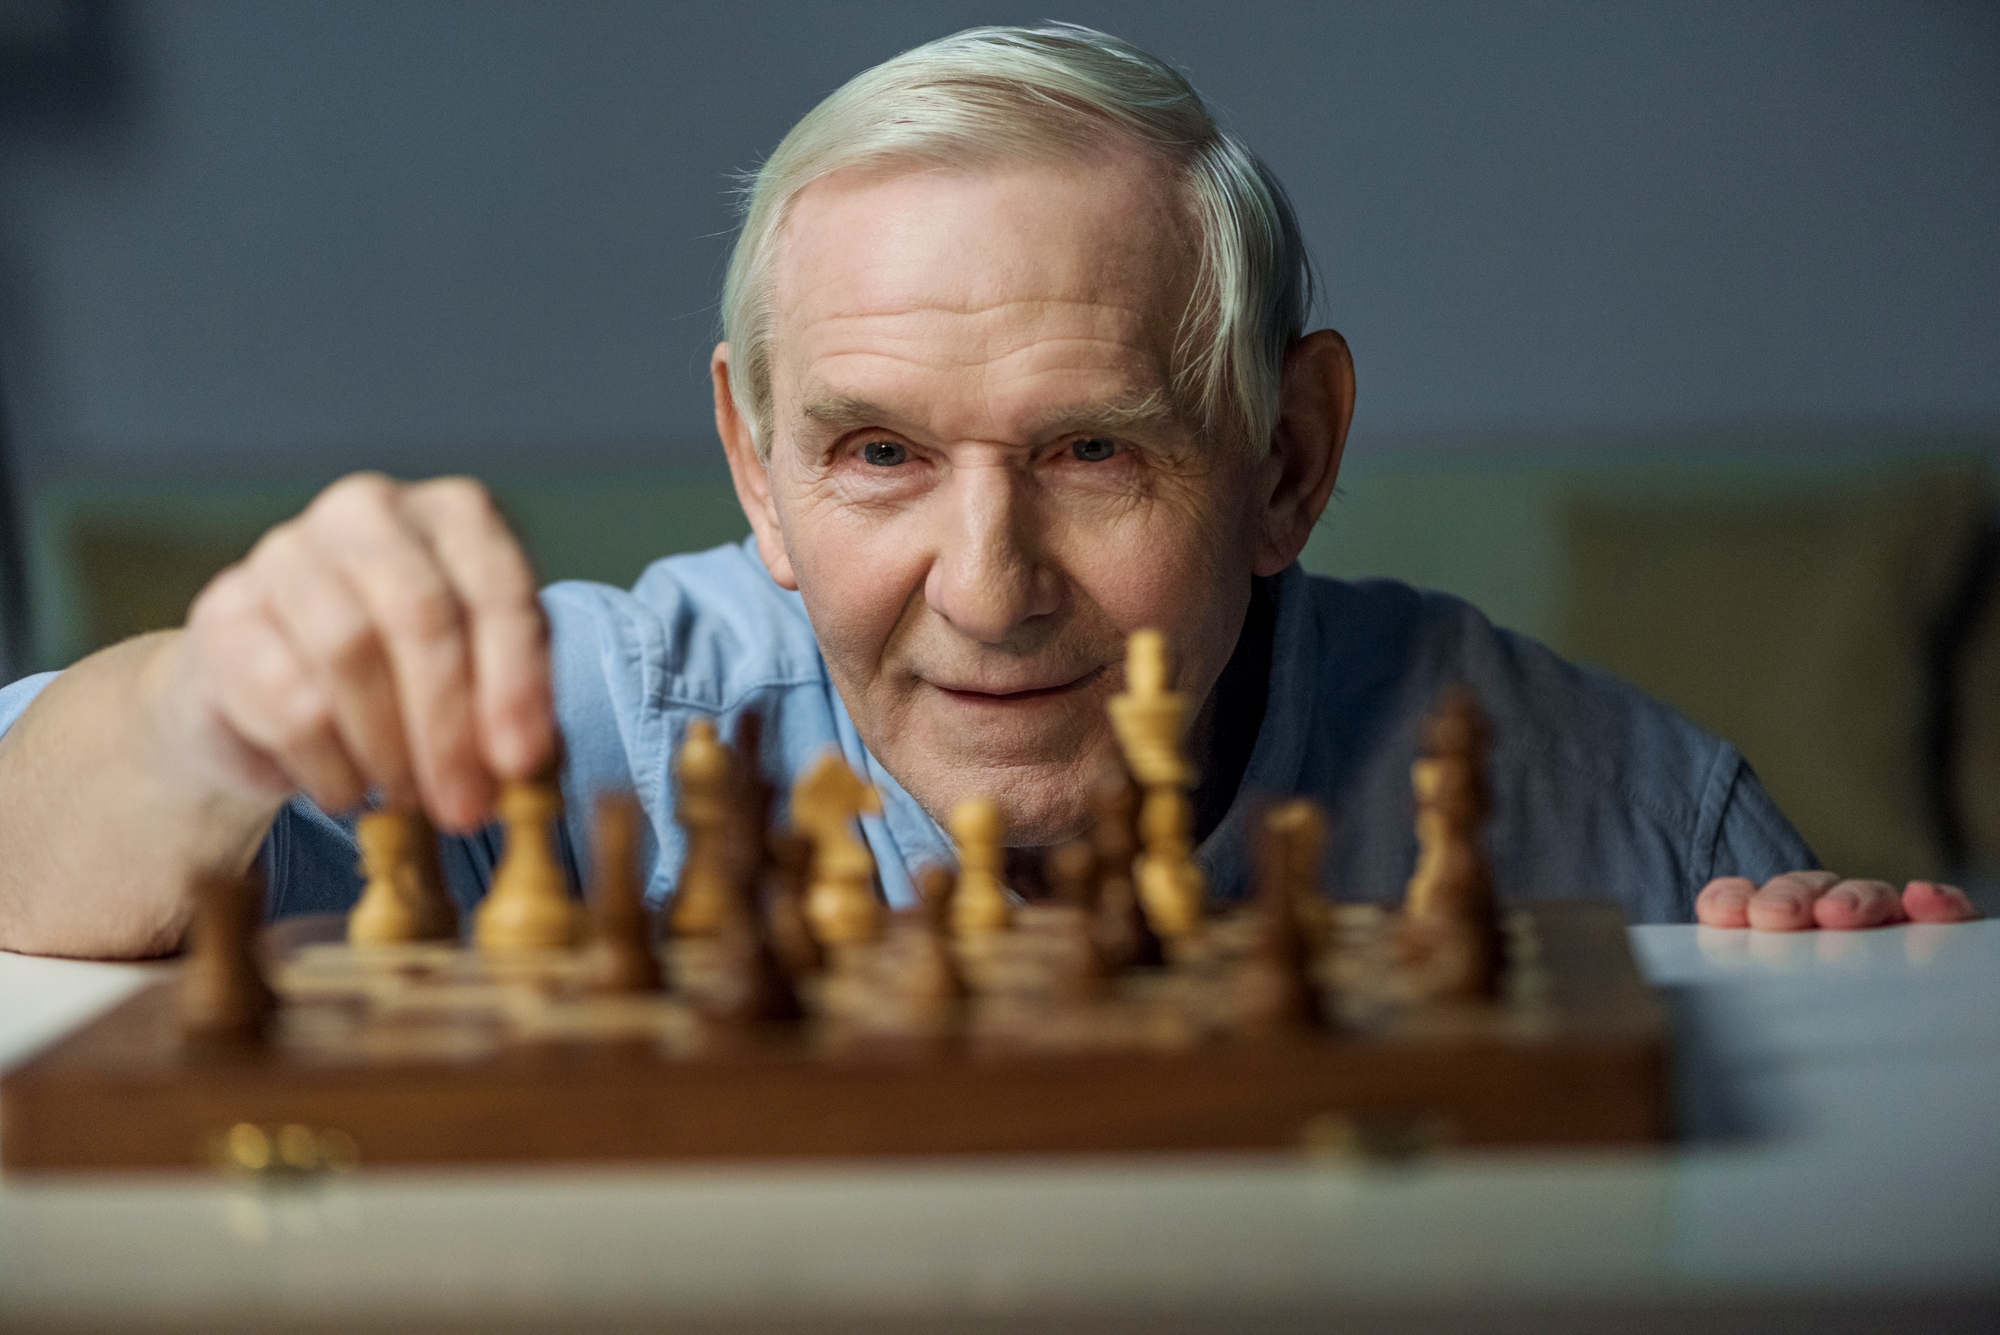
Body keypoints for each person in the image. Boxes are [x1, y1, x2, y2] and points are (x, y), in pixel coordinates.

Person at [0, 25, 1975, 961]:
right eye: (874, 452)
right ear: (751, 470)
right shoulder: (584, 731)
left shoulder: (1618, 811)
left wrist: (1852, 1017)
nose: (987, 584)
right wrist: (197, 710)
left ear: (1287, 458)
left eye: (1094, 449)